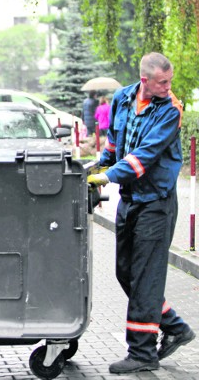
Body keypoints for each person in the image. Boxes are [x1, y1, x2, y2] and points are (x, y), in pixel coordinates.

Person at [87, 52, 195, 374]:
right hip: (132, 199)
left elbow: (143, 157)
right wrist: (98, 164)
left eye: (170, 81)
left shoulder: (171, 110)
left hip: (156, 202)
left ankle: (142, 352)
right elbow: (115, 142)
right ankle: (174, 327)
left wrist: (107, 177)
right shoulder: (123, 97)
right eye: (163, 82)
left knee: (146, 278)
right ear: (144, 80)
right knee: (126, 272)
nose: (169, 87)